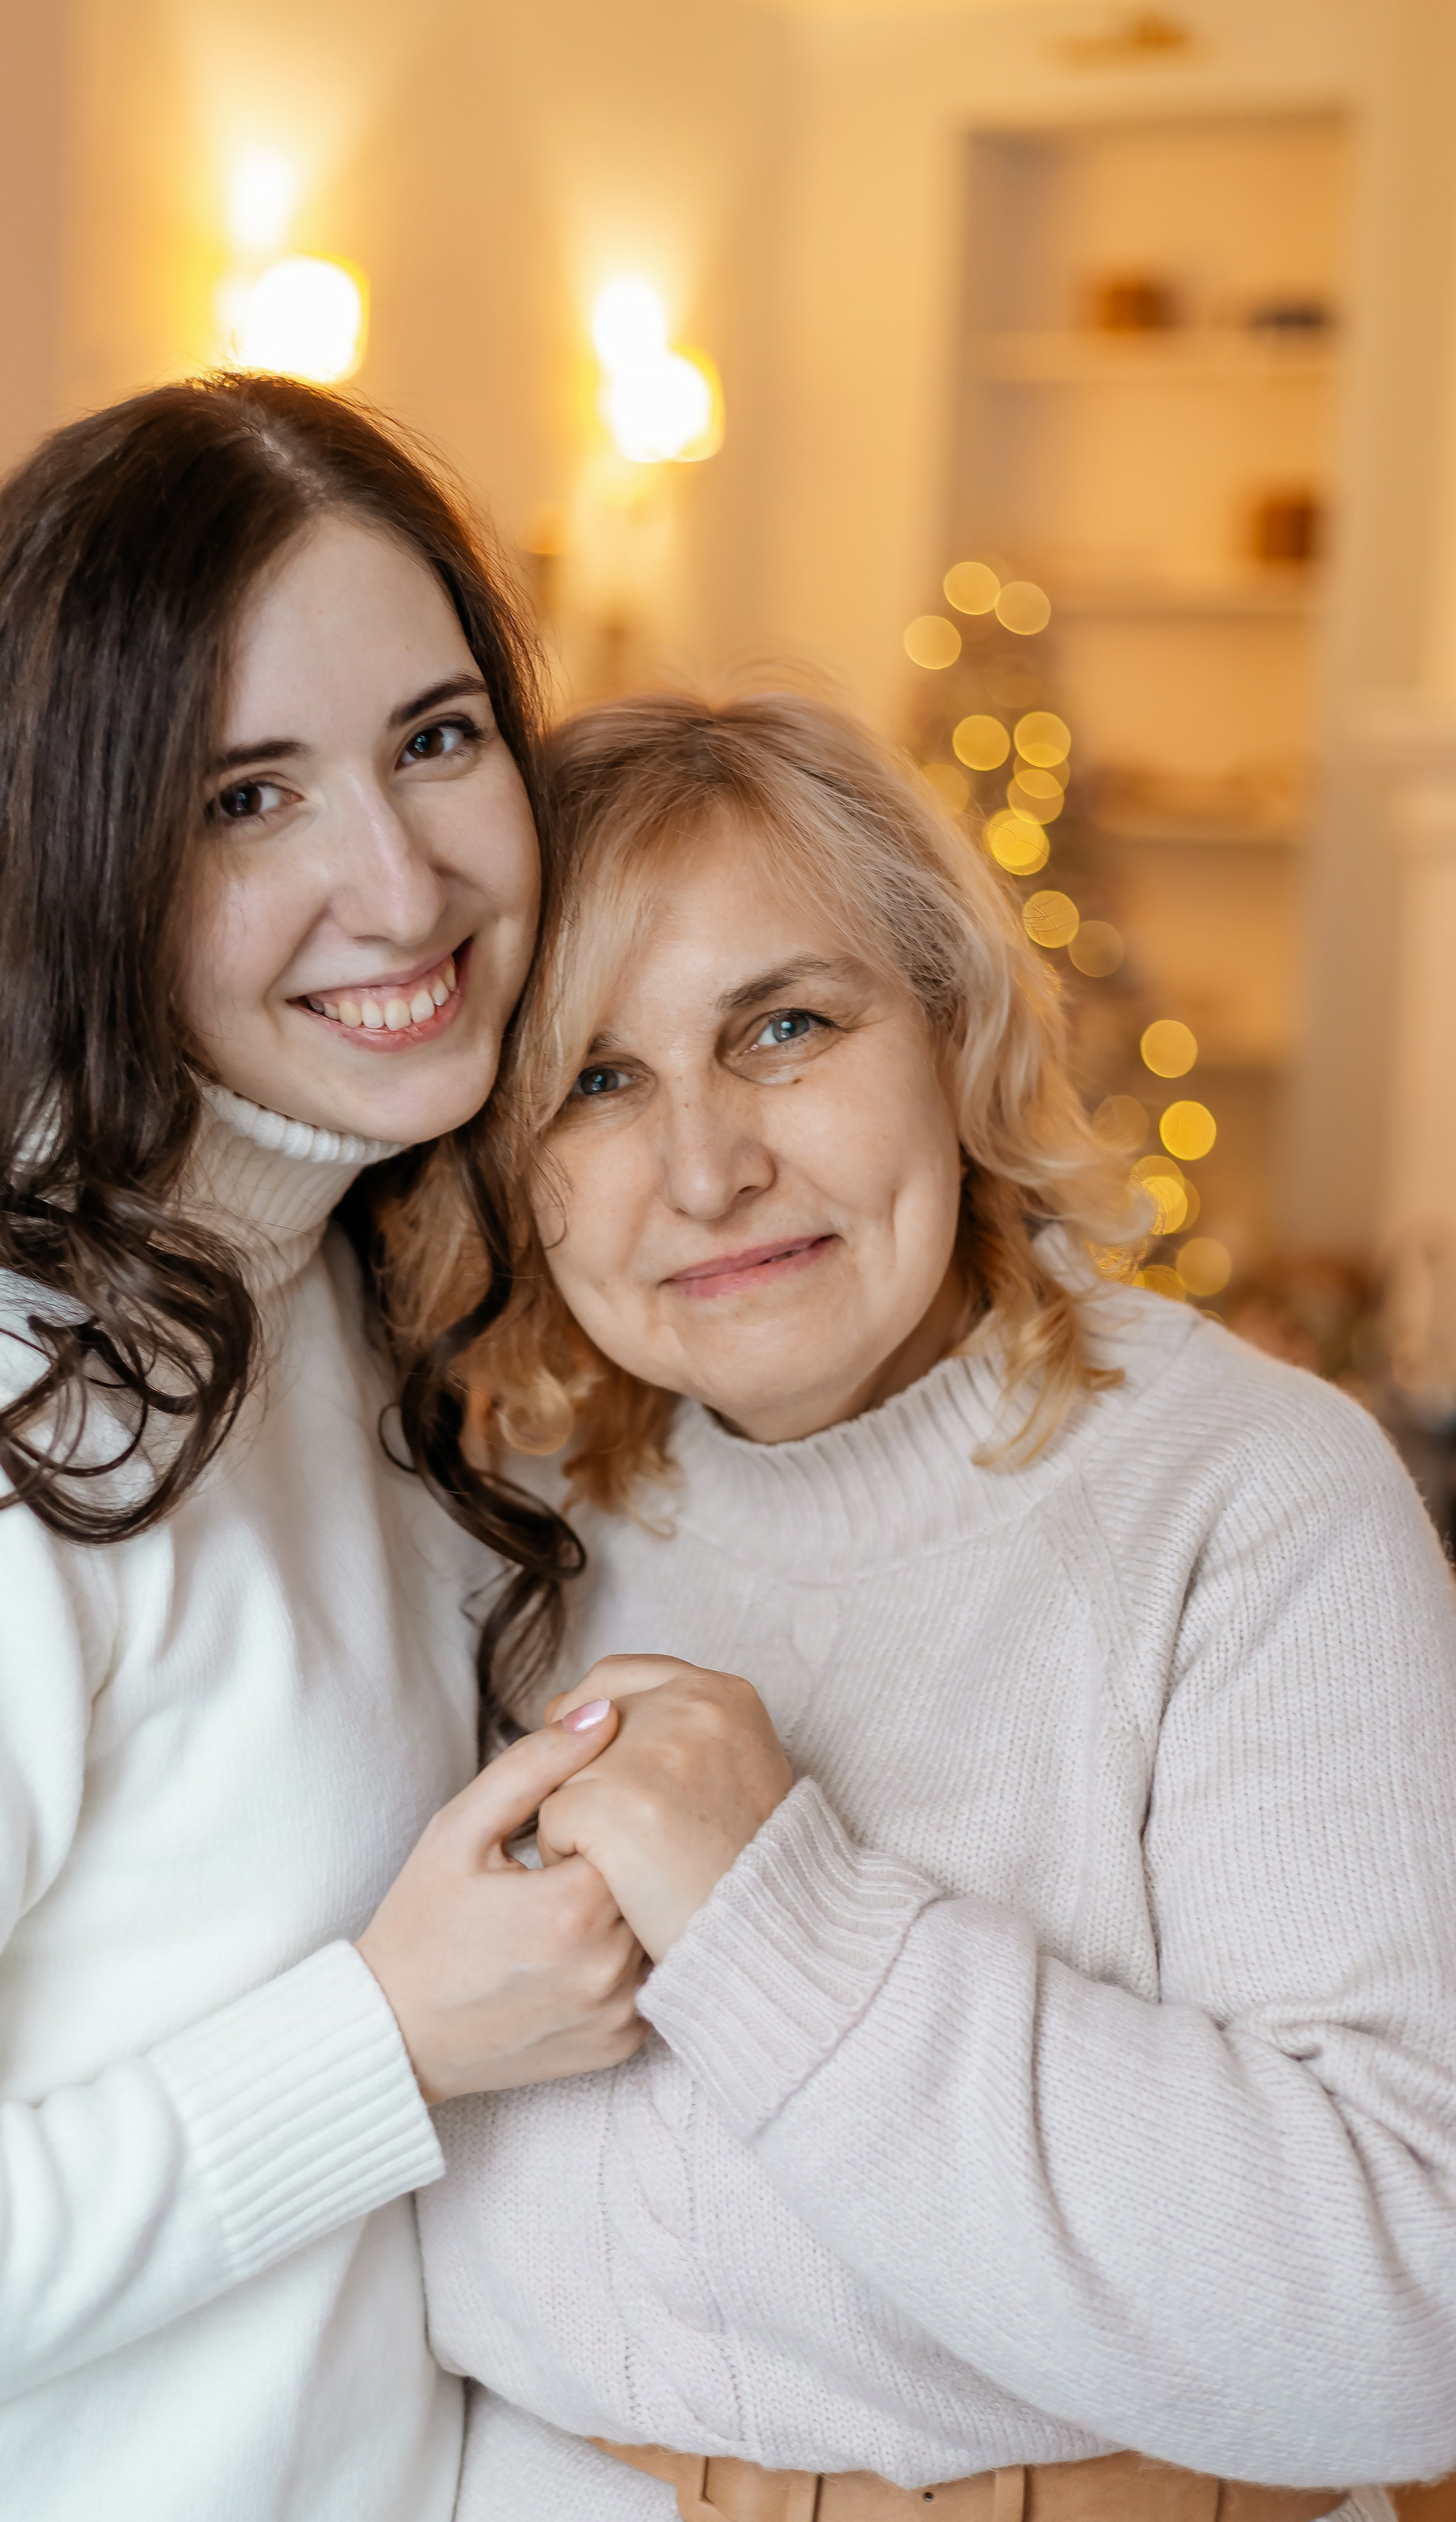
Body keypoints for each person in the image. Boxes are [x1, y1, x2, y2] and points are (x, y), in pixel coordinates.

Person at [387, 691, 1456, 2520]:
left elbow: (1409, 2320)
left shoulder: (1249, 1502)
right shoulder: (499, 1513)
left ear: (953, 1030)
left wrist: (773, 1914)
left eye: (784, 1028)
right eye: (595, 1080)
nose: (710, 1167)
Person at [0, 374, 648, 2522]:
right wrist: (387, 2041)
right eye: (244, 798)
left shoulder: (339, 1288)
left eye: (438, 739)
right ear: (81, 854)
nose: (402, 881)